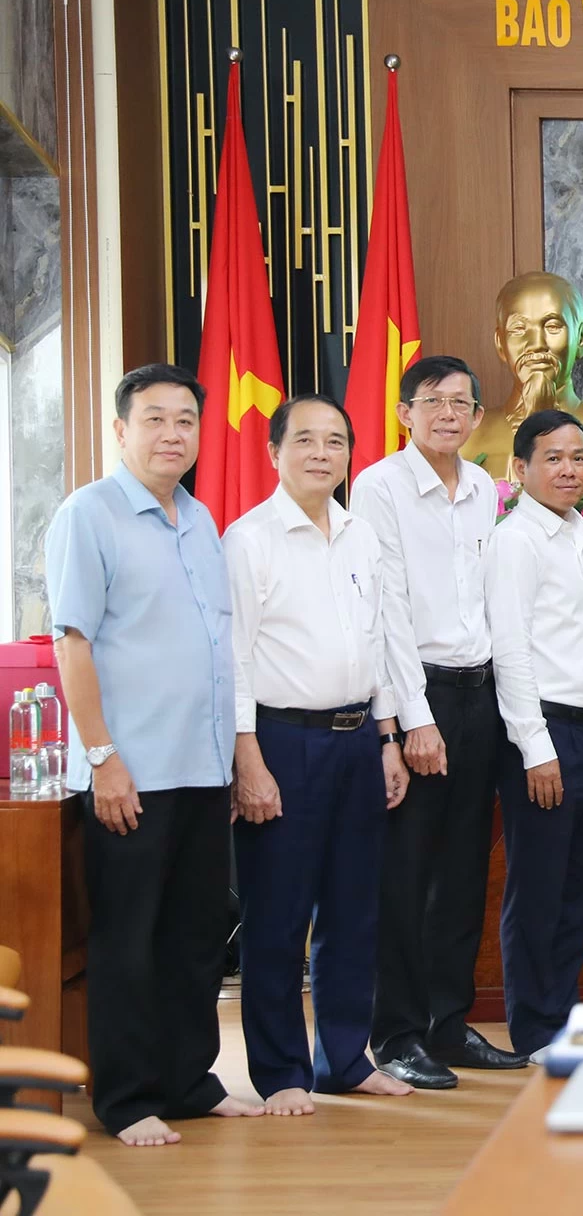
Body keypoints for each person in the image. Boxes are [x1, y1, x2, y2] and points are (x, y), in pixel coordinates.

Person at [45, 364, 264, 1144]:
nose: (173, 433)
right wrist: (102, 757)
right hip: (131, 771)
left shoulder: (200, 519)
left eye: (185, 421)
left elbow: (216, 646)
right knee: (128, 939)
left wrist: (238, 760)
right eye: (155, 419)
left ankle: (189, 1081)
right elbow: (73, 644)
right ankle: (129, 1098)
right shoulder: (89, 515)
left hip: (201, 768)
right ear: (120, 430)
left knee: (196, 935)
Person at [227, 394, 413, 1114]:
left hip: (357, 737)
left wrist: (389, 738)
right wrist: (249, 761)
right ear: (274, 452)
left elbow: (379, 644)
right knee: (277, 913)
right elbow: (236, 659)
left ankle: (345, 1058)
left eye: (335, 441)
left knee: (352, 909)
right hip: (280, 741)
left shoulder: (360, 535)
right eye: (304, 440)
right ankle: (279, 1072)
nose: (320, 453)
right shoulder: (248, 540)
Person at [348, 355, 527, 1088]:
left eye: (462, 403)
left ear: (478, 417)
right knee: (407, 875)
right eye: (433, 401)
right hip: (418, 694)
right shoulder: (379, 487)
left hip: (477, 692)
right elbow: (384, 610)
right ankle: (395, 1035)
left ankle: (448, 1026)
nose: (449, 414)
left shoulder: (483, 485)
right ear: (404, 412)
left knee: (460, 873)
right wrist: (414, 721)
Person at [486, 409, 583, 1061]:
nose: (569, 469)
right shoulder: (515, 541)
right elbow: (510, 650)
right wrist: (535, 749)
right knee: (538, 888)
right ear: (521, 468)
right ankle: (534, 1028)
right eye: (553, 458)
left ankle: (562, 1016)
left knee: (576, 887)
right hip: (546, 735)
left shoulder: (572, 532)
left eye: (577, 457)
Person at [462, 272, 583, 482]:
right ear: (500, 344)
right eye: (519, 328)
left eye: (553, 326)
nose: (537, 343)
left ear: (581, 339)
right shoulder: (466, 439)